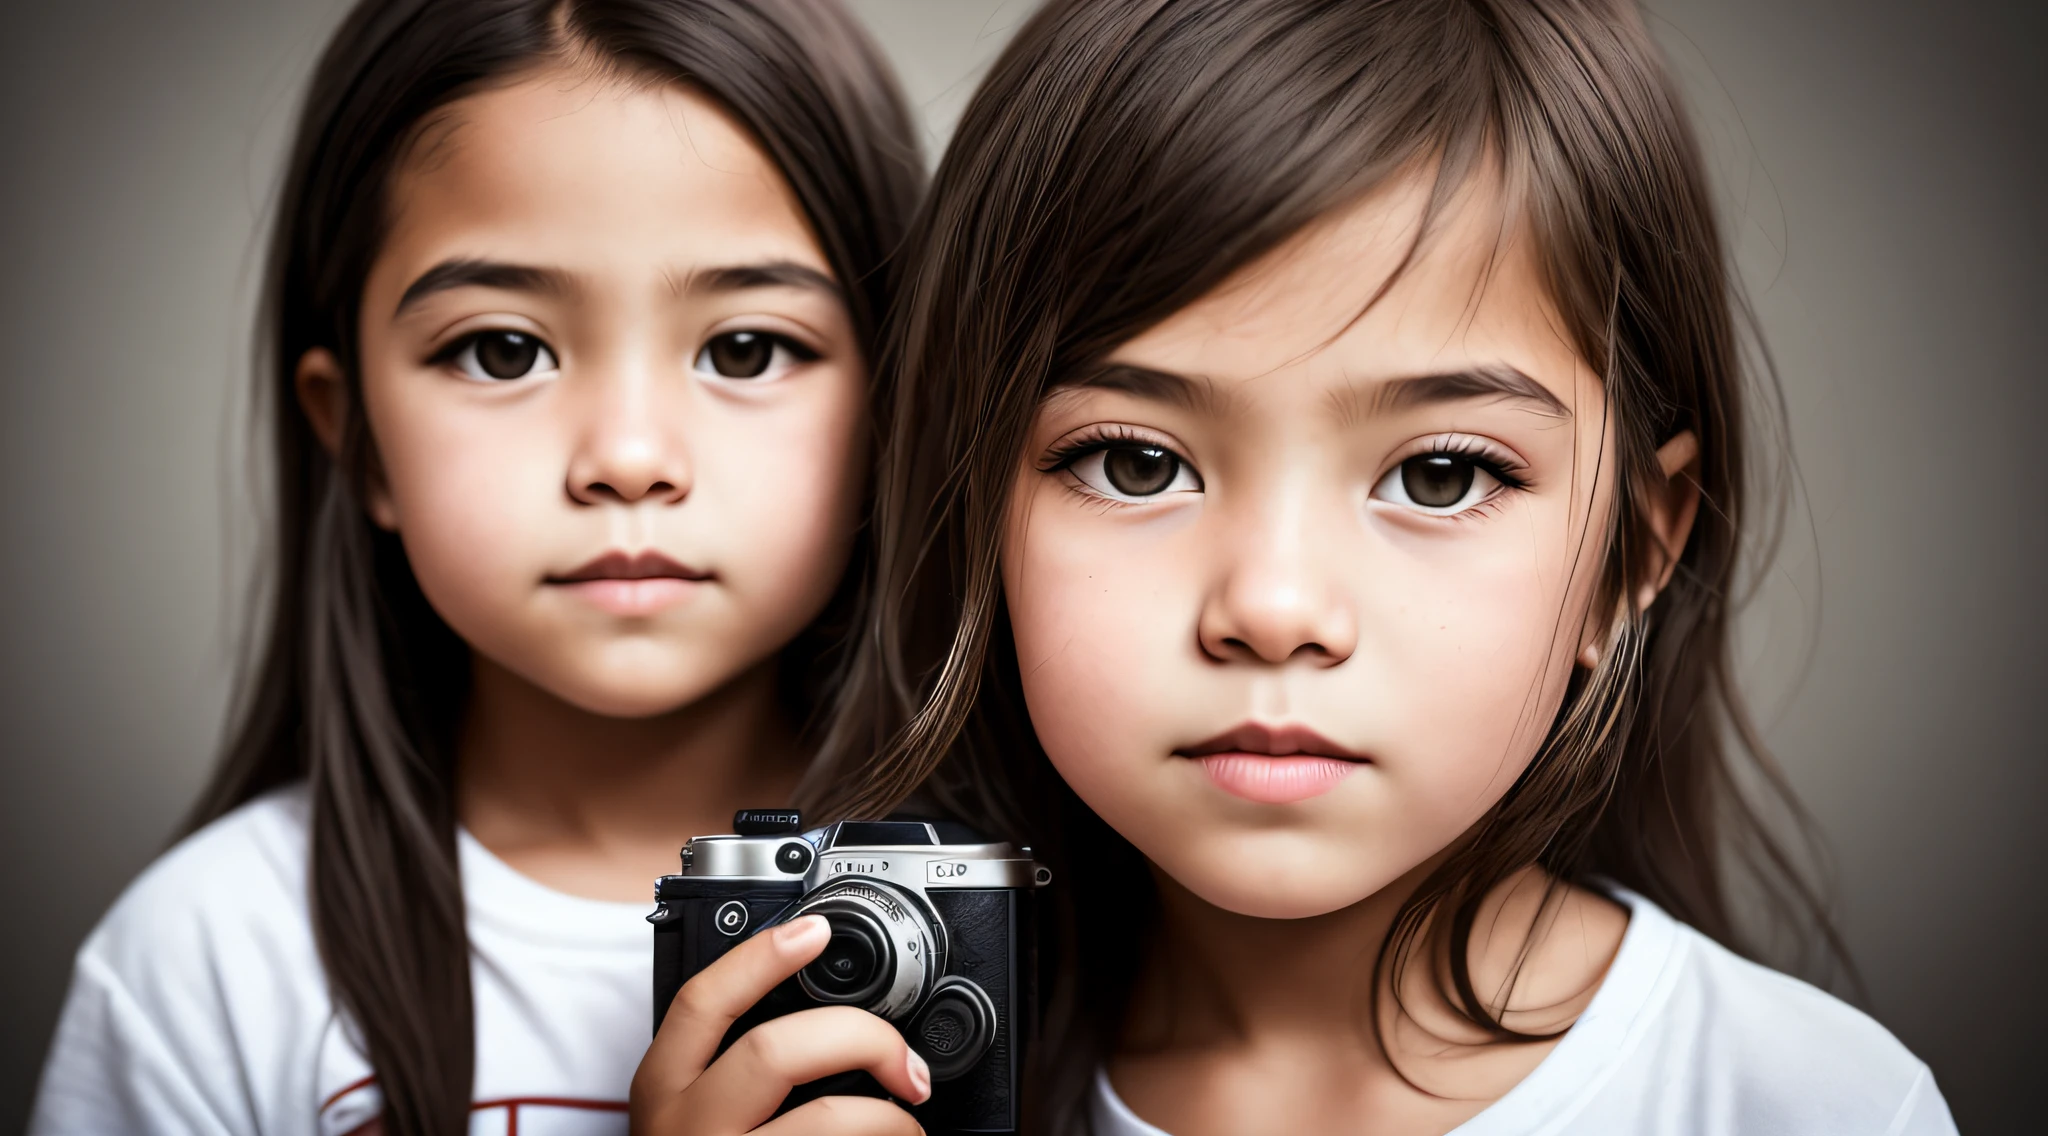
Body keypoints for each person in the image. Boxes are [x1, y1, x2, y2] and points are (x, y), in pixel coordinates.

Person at [803, 0, 1963, 1133]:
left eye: (1440, 477)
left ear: (1630, 554)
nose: (1272, 608)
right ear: (972, 505)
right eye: (1135, 461)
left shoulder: (1810, 1103)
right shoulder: (864, 1087)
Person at [28, 1, 926, 1133]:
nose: (628, 458)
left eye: (745, 348)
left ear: (895, 403)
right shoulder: (209, 962)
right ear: (352, 434)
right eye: (503, 349)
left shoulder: (1078, 916)